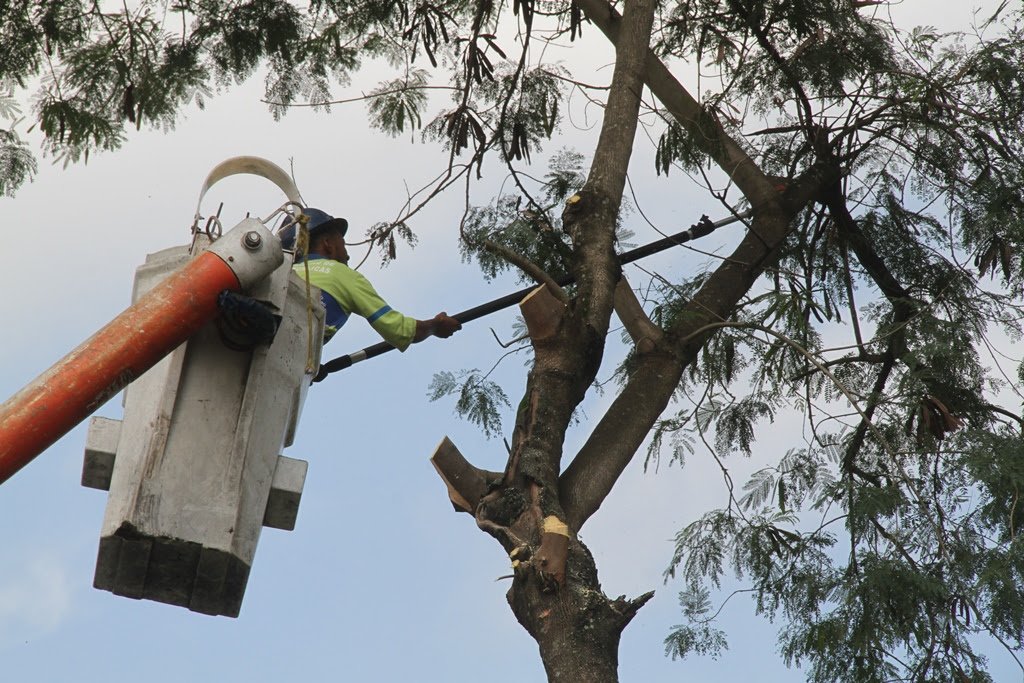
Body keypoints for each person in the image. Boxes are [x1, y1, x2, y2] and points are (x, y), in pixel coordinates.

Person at [282, 208, 461, 349]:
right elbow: (399, 330)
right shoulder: (342, 274)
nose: (348, 256)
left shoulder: (282, 274)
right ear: (327, 244)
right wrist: (435, 326)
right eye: (343, 245)